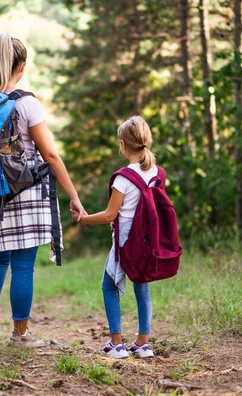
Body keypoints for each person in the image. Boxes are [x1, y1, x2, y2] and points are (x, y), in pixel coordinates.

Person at [0, 32, 86, 347]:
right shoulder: (26, 102)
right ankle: (20, 335)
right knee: (22, 265)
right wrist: (74, 195)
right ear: (20, 66)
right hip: (25, 192)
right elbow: (50, 155)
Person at [72, 116, 157, 358]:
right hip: (147, 238)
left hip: (126, 240)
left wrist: (83, 219)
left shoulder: (123, 178)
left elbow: (111, 213)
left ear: (123, 144)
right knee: (142, 286)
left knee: (108, 286)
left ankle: (117, 344)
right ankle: (143, 343)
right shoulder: (156, 172)